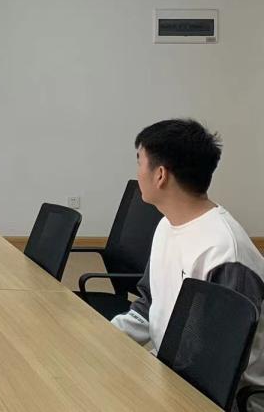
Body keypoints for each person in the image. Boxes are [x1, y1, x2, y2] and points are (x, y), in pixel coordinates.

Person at [112, 119, 264, 407]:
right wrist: (104, 337)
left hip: (221, 398)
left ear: (160, 175)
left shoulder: (223, 251)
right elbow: (149, 303)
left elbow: (217, 366)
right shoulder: (167, 225)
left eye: (139, 162)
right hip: (174, 374)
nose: (137, 172)